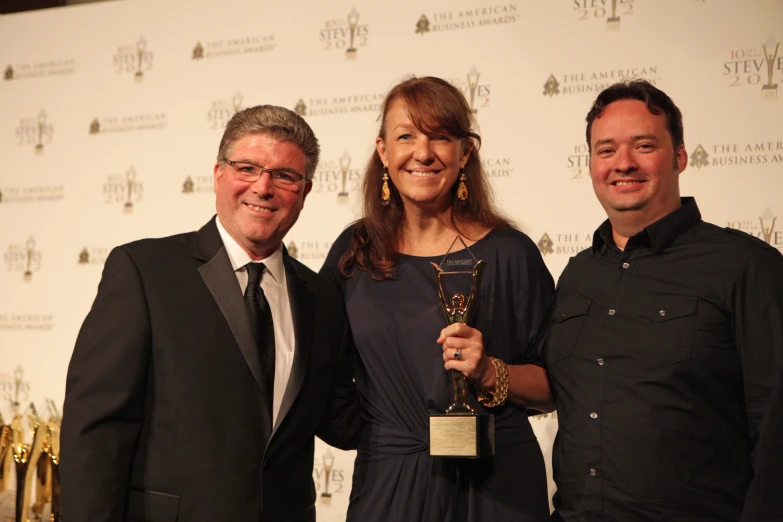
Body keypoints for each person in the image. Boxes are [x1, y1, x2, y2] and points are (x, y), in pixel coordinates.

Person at [60, 105, 360, 522]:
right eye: (247, 168)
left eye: (285, 176)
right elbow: (97, 431)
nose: (264, 187)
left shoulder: (322, 297)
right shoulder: (144, 270)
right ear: (219, 175)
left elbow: (341, 420)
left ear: (305, 191)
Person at [545, 80, 783, 521]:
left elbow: (776, 429)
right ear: (591, 164)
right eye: (606, 150)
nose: (624, 164)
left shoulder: (746, 267)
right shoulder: (577, 275)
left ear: (679, 156)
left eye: (644, 145)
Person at [321, 76, 556, 522]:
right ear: (383, 151)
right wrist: (379, 433)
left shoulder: (511, 254)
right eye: (406, 136)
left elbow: (554, 388)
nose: (422, 153)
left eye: (440, 137)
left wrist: (491, 372)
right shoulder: (354, 254)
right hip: (388, 483)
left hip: (498, 486)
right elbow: (318, 371)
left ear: (465, 152)